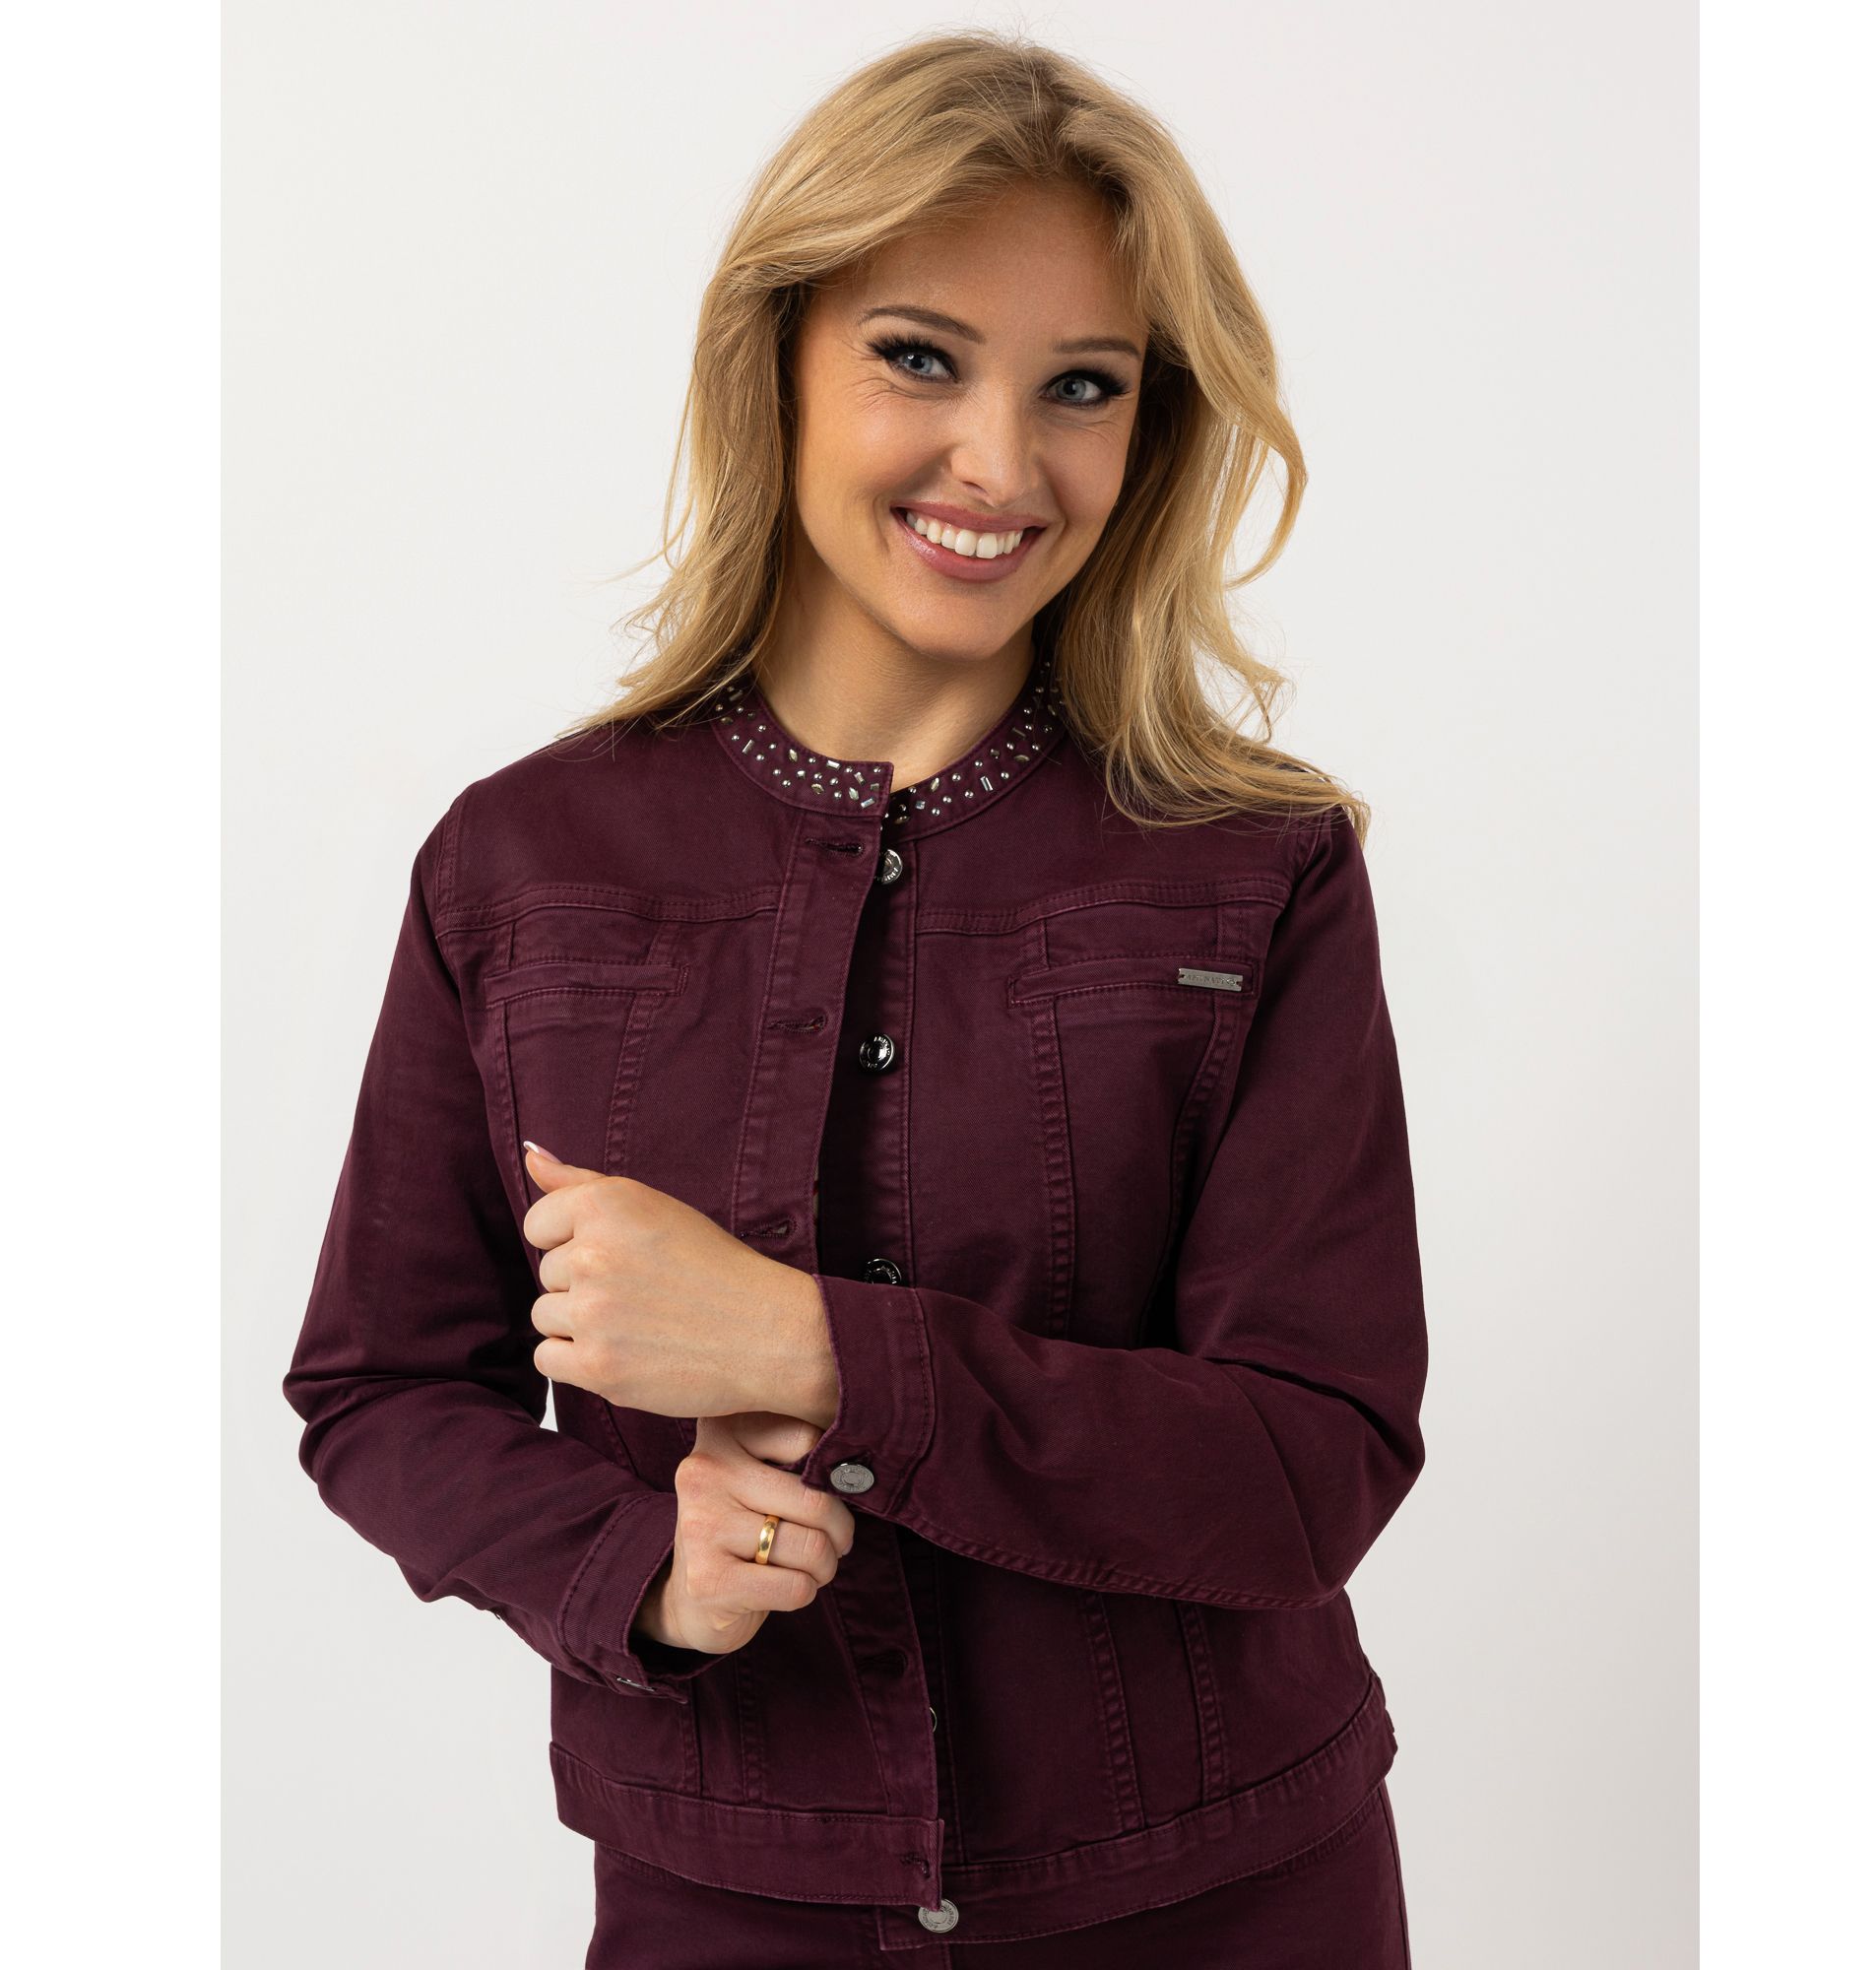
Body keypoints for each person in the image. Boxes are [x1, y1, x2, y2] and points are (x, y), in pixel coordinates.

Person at [285, 27, 1427, 1968]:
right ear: (779, 356)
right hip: (726, 1907)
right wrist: (633, 1568)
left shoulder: (1258, 867)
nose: (1001, 463)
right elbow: (379, 1386)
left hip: (1221, 1902)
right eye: (919, 357)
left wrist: (811, 1349)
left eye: (1082, 387)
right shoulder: (520, 864)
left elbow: (1312, 1462)